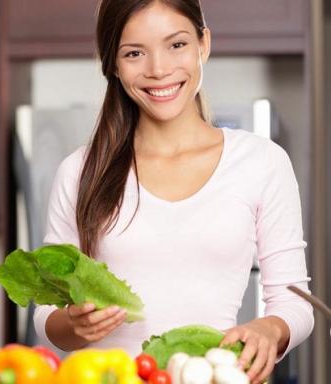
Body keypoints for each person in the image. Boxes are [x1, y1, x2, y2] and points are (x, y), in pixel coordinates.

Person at [32, 0, 314, 382]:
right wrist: (73, 324)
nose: (159, 69)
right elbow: (46, 313)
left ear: (203, 44)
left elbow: (295, 302)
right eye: (134, 53)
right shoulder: (81, 172)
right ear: (113, 63)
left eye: (176, 45)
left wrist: (270, 328)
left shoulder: (262, 162)